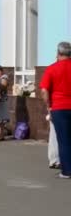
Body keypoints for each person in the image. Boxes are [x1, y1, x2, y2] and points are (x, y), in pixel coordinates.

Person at [39, 41, 71, 179]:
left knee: (63, 140)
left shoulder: (52, 68)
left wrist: (48, 105)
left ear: (58, 54)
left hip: (59, 107)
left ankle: (66, 171)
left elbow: (44, 90)